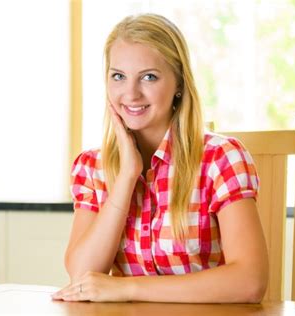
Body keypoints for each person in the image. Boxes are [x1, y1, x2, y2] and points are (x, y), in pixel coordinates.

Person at [51, 13, 268, 303]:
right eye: (118, 76)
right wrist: (127, 175)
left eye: (149, 77)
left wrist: (127, 288)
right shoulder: (92, 168)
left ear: (179, 83)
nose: (131, 93)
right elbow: (81, 277)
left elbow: (249, 281)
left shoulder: (220, 159)